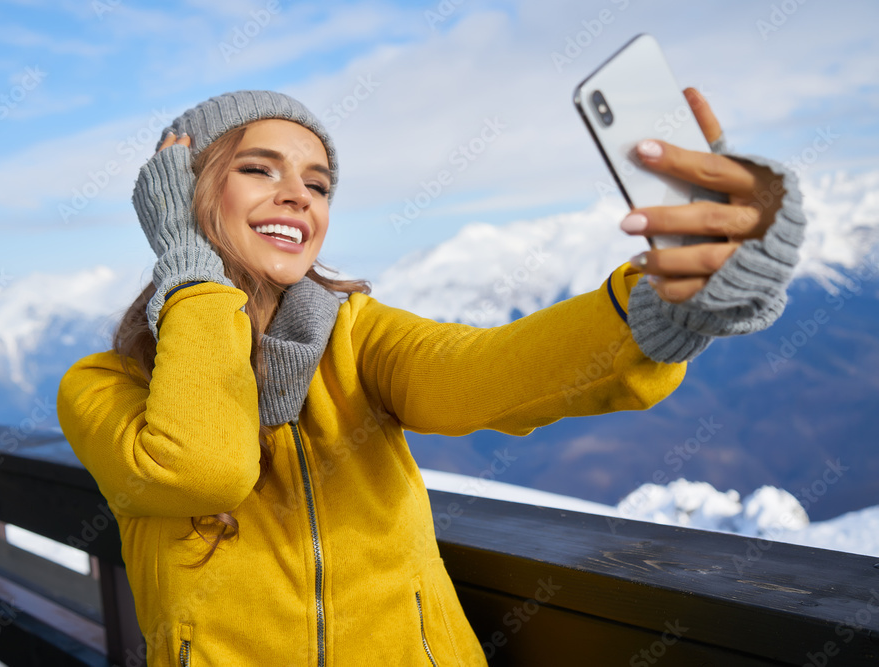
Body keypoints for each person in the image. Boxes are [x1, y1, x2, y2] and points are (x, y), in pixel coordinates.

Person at [57, 89, 805, 666]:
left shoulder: (354, 335)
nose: (299, 197)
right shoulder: (104, 387)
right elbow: (205, 467)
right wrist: (188, 268)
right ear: (181, 201)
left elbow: (488, 372)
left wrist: (658, 308)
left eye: (318, 184)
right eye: (258, 169)